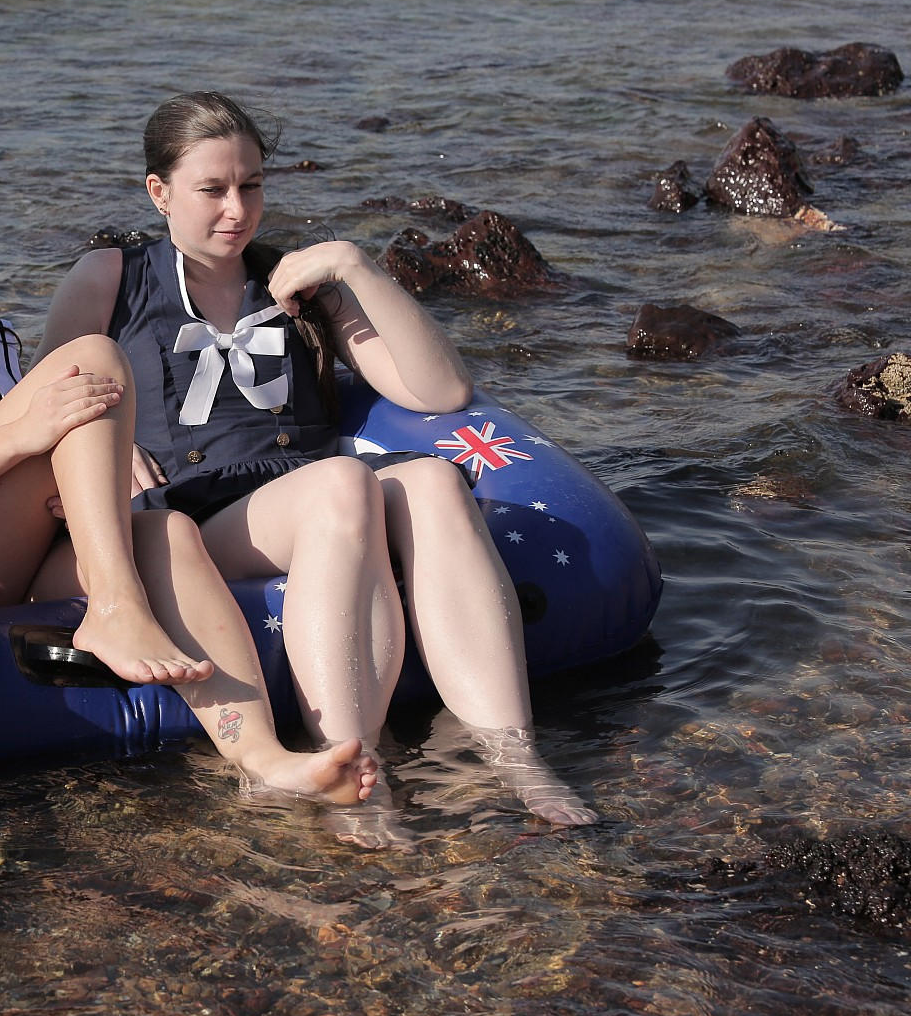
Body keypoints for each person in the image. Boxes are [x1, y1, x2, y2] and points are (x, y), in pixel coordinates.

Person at [0, 107, 380, 842]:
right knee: (92, 359)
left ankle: (261, 757)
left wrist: (77, 472)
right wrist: (20, 441)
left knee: (164, 530)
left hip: (26, 557)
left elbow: (45, 457)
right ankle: (115, 606)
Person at [39, 91, 597, 830]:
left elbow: (442, 389)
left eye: (252, 185)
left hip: (304, 492)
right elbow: (45, 405)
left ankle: (515, 755)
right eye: (212, 189)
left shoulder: (296, 285)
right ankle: (351, 768)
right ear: (159, 192)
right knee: (340, 483)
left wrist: (354, 266)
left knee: (430, 480)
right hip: (194, 513)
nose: (236, 209)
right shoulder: (113, 278)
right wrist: (122, 447)